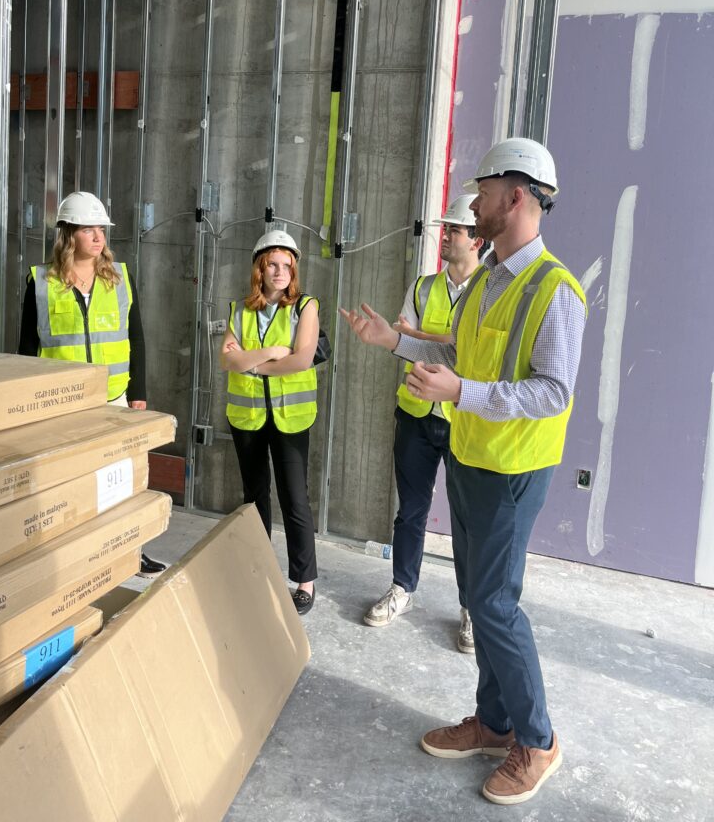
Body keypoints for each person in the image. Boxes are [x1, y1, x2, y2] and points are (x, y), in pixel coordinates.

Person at [341, 138, 587, 805]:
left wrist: (460, 394)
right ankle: (494, 723)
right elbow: (455, 347)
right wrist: (394, 341)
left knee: (495, 605)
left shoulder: (555, 291)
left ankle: (537, 740)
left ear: (516, 196)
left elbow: (554, 392)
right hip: (474, 459)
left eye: (481, 192)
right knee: (479, 597)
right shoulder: (487, 279)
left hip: (514, 470)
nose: (471, 205)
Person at [18, 191, 165, 578]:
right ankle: (73, 556)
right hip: (60, 406)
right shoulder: (41, 283)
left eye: (101, 230)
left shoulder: (120, 279)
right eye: (89, 230)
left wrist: (138, 395)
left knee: (123, 479)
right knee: (68, 482)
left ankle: (131, 551)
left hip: (113, 399)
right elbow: (25, 352)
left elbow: (137, 339)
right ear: (68, 235)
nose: (99, 237)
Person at [364, 195, 485, 656]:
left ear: (474, 238)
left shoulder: (488, 291)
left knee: (467, 522)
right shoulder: (422, 285)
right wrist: (426, 340)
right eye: (447, 228)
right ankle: (402, 589)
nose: (446, 236)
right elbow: (404, 335)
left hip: (463, 421)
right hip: (416, 417)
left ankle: (470, 608)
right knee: (410, 511)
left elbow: (460, 350)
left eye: (453, 230)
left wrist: (414, 339)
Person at [220, 229, 320, 615]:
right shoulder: (239, 310)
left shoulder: (305, 306)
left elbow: (302, 358)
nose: (280, 272)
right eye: (272, 265)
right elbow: (226, 360)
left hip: (291, 418)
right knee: (254, 497)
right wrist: (272, 352)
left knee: (295, 498)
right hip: (247, 417)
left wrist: (252, 363)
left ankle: (304, 581)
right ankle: (258, 571)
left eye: (287, 265)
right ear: (259, 269)